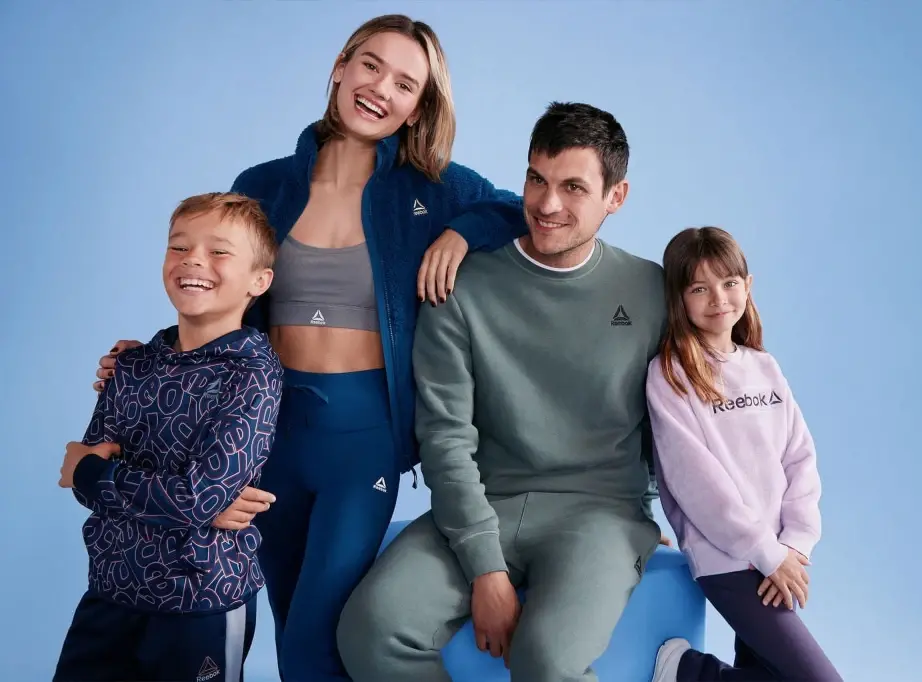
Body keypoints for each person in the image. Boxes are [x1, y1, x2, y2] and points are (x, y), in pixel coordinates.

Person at [90, 14, 528, 681]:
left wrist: (460, 233)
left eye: (405, 84)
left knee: (315, 638)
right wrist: (154, 361)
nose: (380, 88)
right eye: (371, 65)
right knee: (290, 625)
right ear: (341, 67)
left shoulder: (432, 190)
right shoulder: (264, 185)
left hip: (364, 446)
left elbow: (519, 210)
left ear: (416, 109)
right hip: (266, 437)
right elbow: (218, 289)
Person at [336, 101, 670, 682]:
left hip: (602, 514)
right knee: (371, 628)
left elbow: (693, 414)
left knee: (546, 659)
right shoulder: (459, 287)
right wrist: (485, 568)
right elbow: (444, 436)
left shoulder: (650, 290)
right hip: (486, 502)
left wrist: (678, 522)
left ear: (615, 196)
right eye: (537, 179)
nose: (547, 204)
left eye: (573, 187)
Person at [54, 193, 284, 682]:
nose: (193, 260)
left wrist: (93, 471)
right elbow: (83, 488)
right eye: (179, 247)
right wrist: (98, 476)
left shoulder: (252, 374)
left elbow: (190, 498)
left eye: (219, 251)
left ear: (259, 281)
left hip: (200, 600)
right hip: (110, 591)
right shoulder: (131, 365)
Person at [645, 226, 842, 681]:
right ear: (678, 298)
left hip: (779, 558)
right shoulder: (671, 374)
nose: (718, 298)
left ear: (748, 286)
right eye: (699, 288)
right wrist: (765, 552)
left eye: (729, 283)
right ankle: (687, 673)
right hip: (728, 559)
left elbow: (799, 459)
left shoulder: (763, 366)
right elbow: (696, 482)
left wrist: (795, 544)